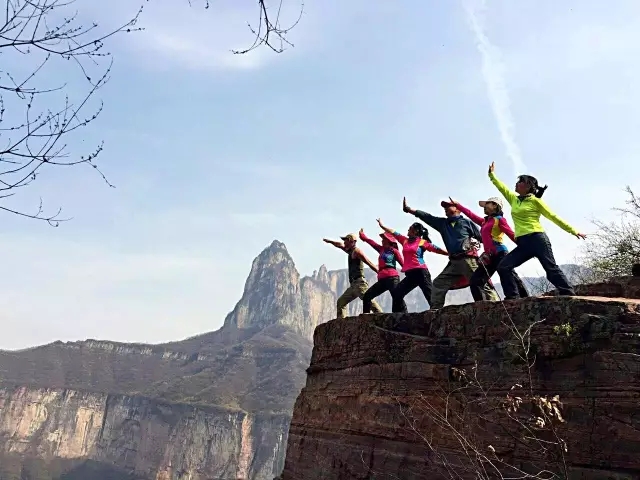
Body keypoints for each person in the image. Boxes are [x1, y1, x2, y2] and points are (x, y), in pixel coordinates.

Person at [487, 161, 587, 299]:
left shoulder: (535, 201)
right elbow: (501, 187)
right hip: (523, 243)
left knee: (550, 269)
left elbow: (553, 216)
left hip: (537, 239)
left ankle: (568, 294)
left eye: (520, 181)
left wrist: (573, 230)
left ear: (528, 186)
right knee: (504, 266)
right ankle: (512, 298)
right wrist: (492, 175)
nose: (516, 184)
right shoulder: (514, 200)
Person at [402, 197, 500, 309]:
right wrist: (410, 210)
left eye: (448, 206)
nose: (445, 208)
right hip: (453, 262)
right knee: (438, 283)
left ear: (457, 209)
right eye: (444, 207)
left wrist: (490, 252)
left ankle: (496, 306)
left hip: (468, 260)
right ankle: (435, 311)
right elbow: (427, 217)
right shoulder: (443, 224)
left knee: (482, 283)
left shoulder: (467, 223)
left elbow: (483, 238)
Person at [447, 195, 529, 301]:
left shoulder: (500, 220)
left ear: (495, 205)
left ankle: (519, 298)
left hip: (500, 253)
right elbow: (471, 215)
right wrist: (458, 205)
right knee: (476, 281)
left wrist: (525, 246)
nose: (484, 207)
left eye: (487, 204)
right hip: (489, 257)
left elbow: (510, 233)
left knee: (510, 276)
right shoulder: (484, 222)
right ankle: (481, 305)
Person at [375, 218, 448, 311]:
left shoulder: (422, 242)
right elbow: (394, 232)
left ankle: (439, 316)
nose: (408, 230)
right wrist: (382, 226)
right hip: (411, 275)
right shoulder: (404, 240)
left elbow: (437, 249)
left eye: (410, 228)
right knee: (397, 294)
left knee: (430, 297)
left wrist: (449, 253)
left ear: (415, 231)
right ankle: (398, 318)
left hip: (421, 273)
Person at [323, 233, 383, 318]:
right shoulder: (350, 251)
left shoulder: (357, 252)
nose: (344, 243)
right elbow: (339, 245)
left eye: (346, 241)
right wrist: (329, 241)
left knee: (369, 301)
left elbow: (368, 262)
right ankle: (341, 324)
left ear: (352, 241)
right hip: (353, 285)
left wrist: (379, 272)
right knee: (341, 302)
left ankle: (382, 316)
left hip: (360, 284)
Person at [358, 228, 405, 313]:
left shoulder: (394, 251)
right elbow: (372, 243)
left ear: (388, 240)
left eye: (383, 239)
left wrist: (411, 271)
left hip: (392, 278)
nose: (382, 241)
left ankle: (404, 316)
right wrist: (364, 237)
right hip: (382, 280)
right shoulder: (381, 249)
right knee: (367, 297)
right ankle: (365, 319)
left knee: (397, 298)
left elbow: (403, 264)